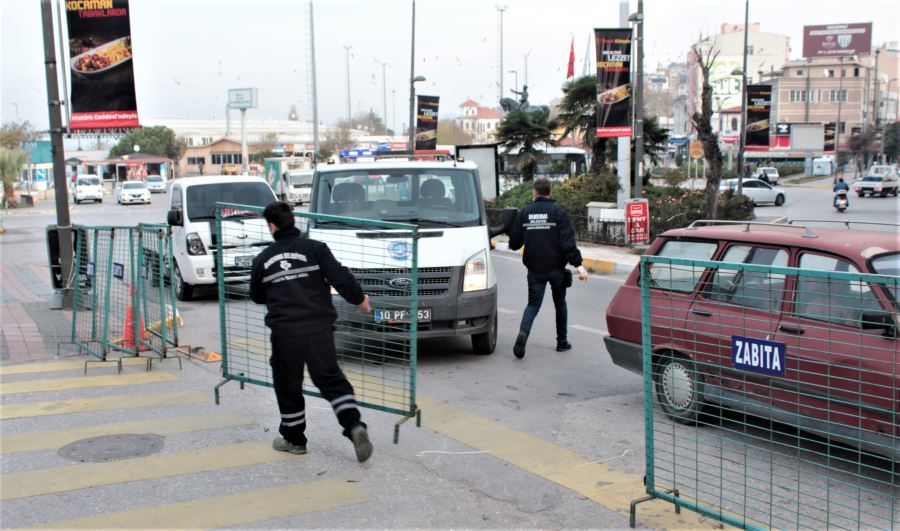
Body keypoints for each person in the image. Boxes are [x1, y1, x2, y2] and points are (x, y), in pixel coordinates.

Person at [250, 201, 374, 462]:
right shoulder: (316, 249)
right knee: (330, 380)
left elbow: (257, 296)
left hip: (285, 334)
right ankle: (353, 426)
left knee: (288, 384)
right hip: (319, 330)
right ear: (292, 221)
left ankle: (294, 440)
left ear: (271, 226)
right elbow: (341, 277)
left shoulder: (262, 260)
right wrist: (360, 299)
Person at [507, 178, 588, 359]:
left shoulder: (525, 213)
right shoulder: (558, 213)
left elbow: (514, 243)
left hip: (535, 269)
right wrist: (579, 265)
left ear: (535, 192)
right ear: (549, 192)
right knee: (560, 304)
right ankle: (562, 342)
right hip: (556, 269)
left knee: (533, 305)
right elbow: (568, 243)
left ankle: (523, 333)